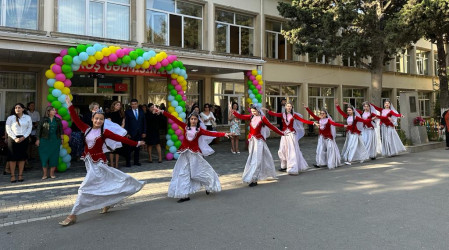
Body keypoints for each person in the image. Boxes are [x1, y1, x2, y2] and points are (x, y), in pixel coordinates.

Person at [59, 96, 145, 226]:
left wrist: (136, 143)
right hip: (89, 163)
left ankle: (73, 215)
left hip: (99, 164)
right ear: (92, 119)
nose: (98, 121)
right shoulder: (86, 129)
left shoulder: (105, 132)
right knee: (103, 185)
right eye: (96, 118)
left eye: (101, 119)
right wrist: (70, 105)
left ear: (104, 120)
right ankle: (108, 203)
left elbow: (121, 139)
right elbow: (75, 119)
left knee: (84, 189)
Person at [154, 107, 231, 203]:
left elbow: (210, 133)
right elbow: (174, 119)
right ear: (189, 120)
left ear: (197, 120)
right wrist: (162, 112)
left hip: (194, 154)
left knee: (197, 173)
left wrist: (224, 134)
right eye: (192, 119)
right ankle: (184, 194)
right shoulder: (185, 127)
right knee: (183, 172)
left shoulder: (199, 130)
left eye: (195, 119)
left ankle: (209, 184)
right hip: (185, 154)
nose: (193, 121)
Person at [231, 104, 284, 187]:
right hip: (252, 141)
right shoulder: (251, 117)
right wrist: (234, 113)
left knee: (257, 160)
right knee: (252, 159)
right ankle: (252, 176)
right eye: (252, 111)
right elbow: (242, 116)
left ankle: (254, 178)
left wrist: (281, 133)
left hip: (259, 141)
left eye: (254, 111)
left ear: (258, 110)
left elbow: (271, 126)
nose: (253, 113)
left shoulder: (263, 118)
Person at [265, 103, 314, 175]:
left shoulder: (294, 115)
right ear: (285, 107)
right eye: (288, 106)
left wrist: (312, 123)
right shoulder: (282, 114)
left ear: (292, 107)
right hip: (284, 134)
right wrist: (268, 111)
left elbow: (302, 120)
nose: (289, 107)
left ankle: (292, 167)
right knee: (282, 150)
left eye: (290, 106)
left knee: (291, 151)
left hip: (291, 134)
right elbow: (274, 114)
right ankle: (284, 166)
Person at [304, 104, 346, 169]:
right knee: (320, 150)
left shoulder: (328, 120)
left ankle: (331, 163)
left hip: (328, 137)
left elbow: (334, 124)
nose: (322, 115)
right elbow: (312, 115)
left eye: (323, 113)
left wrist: (343, 126)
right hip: (322, 137)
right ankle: (320, 163)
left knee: (330, 150)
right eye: (321, 113)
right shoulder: (319, 119)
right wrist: (307, 108)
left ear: (326, 114)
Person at [335, 100, 370, 165]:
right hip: (349, 133)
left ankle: (350, 160)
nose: (348, 111)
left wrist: (372, 119)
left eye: (350, 110)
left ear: (353, 111)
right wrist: (337, 106)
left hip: (355, 133)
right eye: (347, 110)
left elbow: (364, 121)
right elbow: (341, 112)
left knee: (352, 146)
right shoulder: (347, 116)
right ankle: (361, 157)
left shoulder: (356, 117)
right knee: (356, 146)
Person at [6, 103, 32, 183]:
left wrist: (24, 137)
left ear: (23, 109)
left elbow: (29, 128)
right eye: (16, 108)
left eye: (19, 107)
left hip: (24, 138)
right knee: (12, 158)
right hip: (13, 138)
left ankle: (20, 175)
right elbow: (8, 129)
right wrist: (15, 138)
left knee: (22, 157)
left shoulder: (27, 117)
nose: (17, 109)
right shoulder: (11, 118)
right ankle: (13, 175)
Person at [36, 106, 63, 179]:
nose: (54, 111)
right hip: (44, 140)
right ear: (48, 112)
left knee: (54, 157)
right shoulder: (43, 120)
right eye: (52, 110)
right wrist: (37, 139)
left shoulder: (58, 120)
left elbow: (61, 130)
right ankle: (44, 174)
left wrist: (62, 139)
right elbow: (38, 130)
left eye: (54, 110)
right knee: (44, 157)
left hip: (55, 140)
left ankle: (52, 173)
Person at [124, 99, 146, 167]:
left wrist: (144, 132)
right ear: (131, 105)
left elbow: (144, 123)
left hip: (139, 133)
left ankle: (136, 162)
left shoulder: (141, 111)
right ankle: (128, 162)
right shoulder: (127, 112)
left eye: (135, 104)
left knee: (137, 148)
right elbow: (126, 123)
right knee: (129, 149)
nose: (134, 105)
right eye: (132, 104)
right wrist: (127, 133)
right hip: (131, 133)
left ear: (137, 104)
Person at [106, 101, 125, 168]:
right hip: (112, 133)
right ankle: (111, 164)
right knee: (111, 149)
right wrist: (114, 130)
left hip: (119, 133)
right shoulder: (109, 113)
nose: (119, 106)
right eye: (117, 105)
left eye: (119, 105)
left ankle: (116, 164)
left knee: (118, 150)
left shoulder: (121, 113)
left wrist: (120, 130)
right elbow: (109, 123)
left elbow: (123, 123)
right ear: (113, 105)